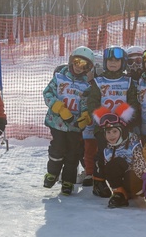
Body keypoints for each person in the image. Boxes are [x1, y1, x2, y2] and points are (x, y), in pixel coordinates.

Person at [86, 46, 140, 198]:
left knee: (122, 155)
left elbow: (133, 102)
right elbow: (92, 102)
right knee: (103, 154)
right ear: (105, 62)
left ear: (123, 63)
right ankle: (98, 181)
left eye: (117, 60)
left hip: (123, 127)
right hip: (103, 127)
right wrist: (104, 119)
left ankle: (122, 183)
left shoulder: (128, 82)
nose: (113, 63)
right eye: (110, 60)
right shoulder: (98, 81)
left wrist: (122, 120)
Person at [43, 46, 93, 195]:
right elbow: (48, 93)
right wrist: (60, 109)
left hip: (74, 126)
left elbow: (85, 104)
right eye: (77, 62)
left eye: (84, 65)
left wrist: (84, 117)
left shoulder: (86, 86)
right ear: (71, 61)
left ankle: (68, 181)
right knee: (57, 149)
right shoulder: (59, 78)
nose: (79, 67)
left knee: (73, 153)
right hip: (57, 122)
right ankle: (52, 173)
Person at [92, 103, 146, 208]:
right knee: (110, 166)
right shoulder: (107, 149)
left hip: (135, 180)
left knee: (119, 164)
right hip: (121, 183)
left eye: (114, 131)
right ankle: (120, 194)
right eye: (108, 132)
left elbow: (140, 162)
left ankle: (134, 192)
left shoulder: (133, 144)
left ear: (122, 131)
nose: (111, 135)